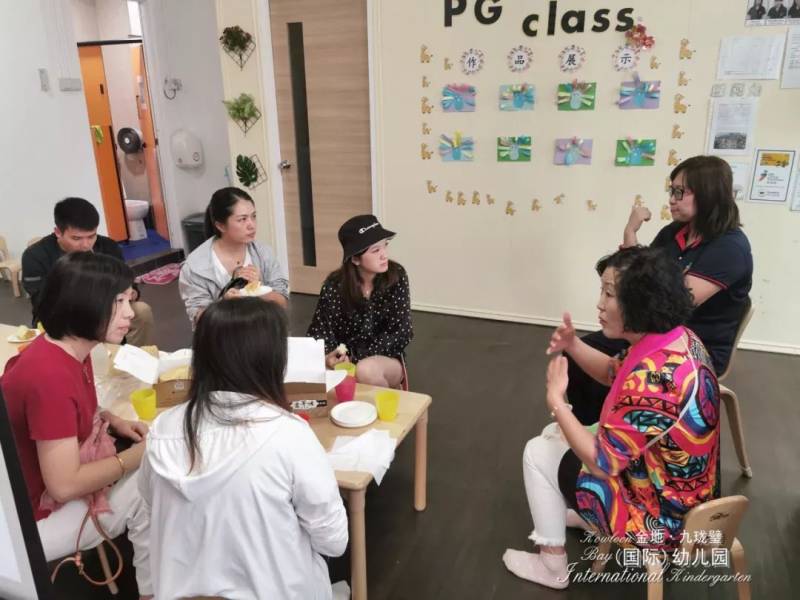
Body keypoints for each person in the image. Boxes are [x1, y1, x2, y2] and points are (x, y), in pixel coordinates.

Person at [503, 247, 720, 590]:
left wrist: (556, 400)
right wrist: (573, 344)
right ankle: (580, 517)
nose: (600, 304)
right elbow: (613, 373)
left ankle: (551, 564)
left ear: (641, 302)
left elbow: (602, 463)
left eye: (609, 293)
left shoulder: (654, 380)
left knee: (537, 450)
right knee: (554, 435)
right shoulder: (677, 340)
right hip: (682, 494)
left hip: (661, 522)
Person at [138, 298, 347, 599]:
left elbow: (148, 514)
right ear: (271, 361)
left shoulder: (162, 429)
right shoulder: (289, 434)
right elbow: (334, 541)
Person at [1, 252, 152, 599]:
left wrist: (113, 420)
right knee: (150, 482)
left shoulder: (63, 347)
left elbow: (76, 407)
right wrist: (136, 457)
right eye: (118, 301)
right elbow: (64, 486)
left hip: (20, 494)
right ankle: (152, 592)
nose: (130, 312)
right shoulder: (50, 378)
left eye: (128, 299)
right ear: (84, 302)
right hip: (26, 525)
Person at [568, 155, 752, 425]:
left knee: (613, 365)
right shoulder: (674, 232)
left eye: (680, 192)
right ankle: (590, 428)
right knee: (578, 353)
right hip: (652, 331)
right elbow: (636, 276)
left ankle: (609, 434)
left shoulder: (730, 248)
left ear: (708, 193)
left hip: (693, 346)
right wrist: (630, 232)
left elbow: (671, 304)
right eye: (671, 191)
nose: (671, 199)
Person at [21, 197, 154, 346]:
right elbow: (42, 302)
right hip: (62, 316)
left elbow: (129, 285)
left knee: (142, 312)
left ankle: (131, 357)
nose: (85, 245)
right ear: (58, 232)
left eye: (91, 236)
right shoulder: (36, 256)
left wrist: (130, 292)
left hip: (109, 308)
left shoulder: (108, 247)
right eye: (76, 238)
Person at [307, 214, 412, 388]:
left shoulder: (396, 276)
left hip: (385, 360)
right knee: (309, 370)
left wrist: (355, 357)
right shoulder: (334, 285)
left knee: (365, 370)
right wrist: (330, 356)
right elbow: (318, 332)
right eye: (375, 251)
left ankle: (386, 401)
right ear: (355, 259)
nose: (384, 255)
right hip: (344, 361)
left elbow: (402, 332)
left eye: (385, 245)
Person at [179, 187, 289, 324]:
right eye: (242, 219)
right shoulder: (195, 266)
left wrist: (258, 289)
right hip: (221, 335)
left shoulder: (263, 253)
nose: (251, 225)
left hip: (262, 331)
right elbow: (200, 319)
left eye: (253, 216)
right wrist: (225, 304)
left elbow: (282, 302)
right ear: (221, 226)